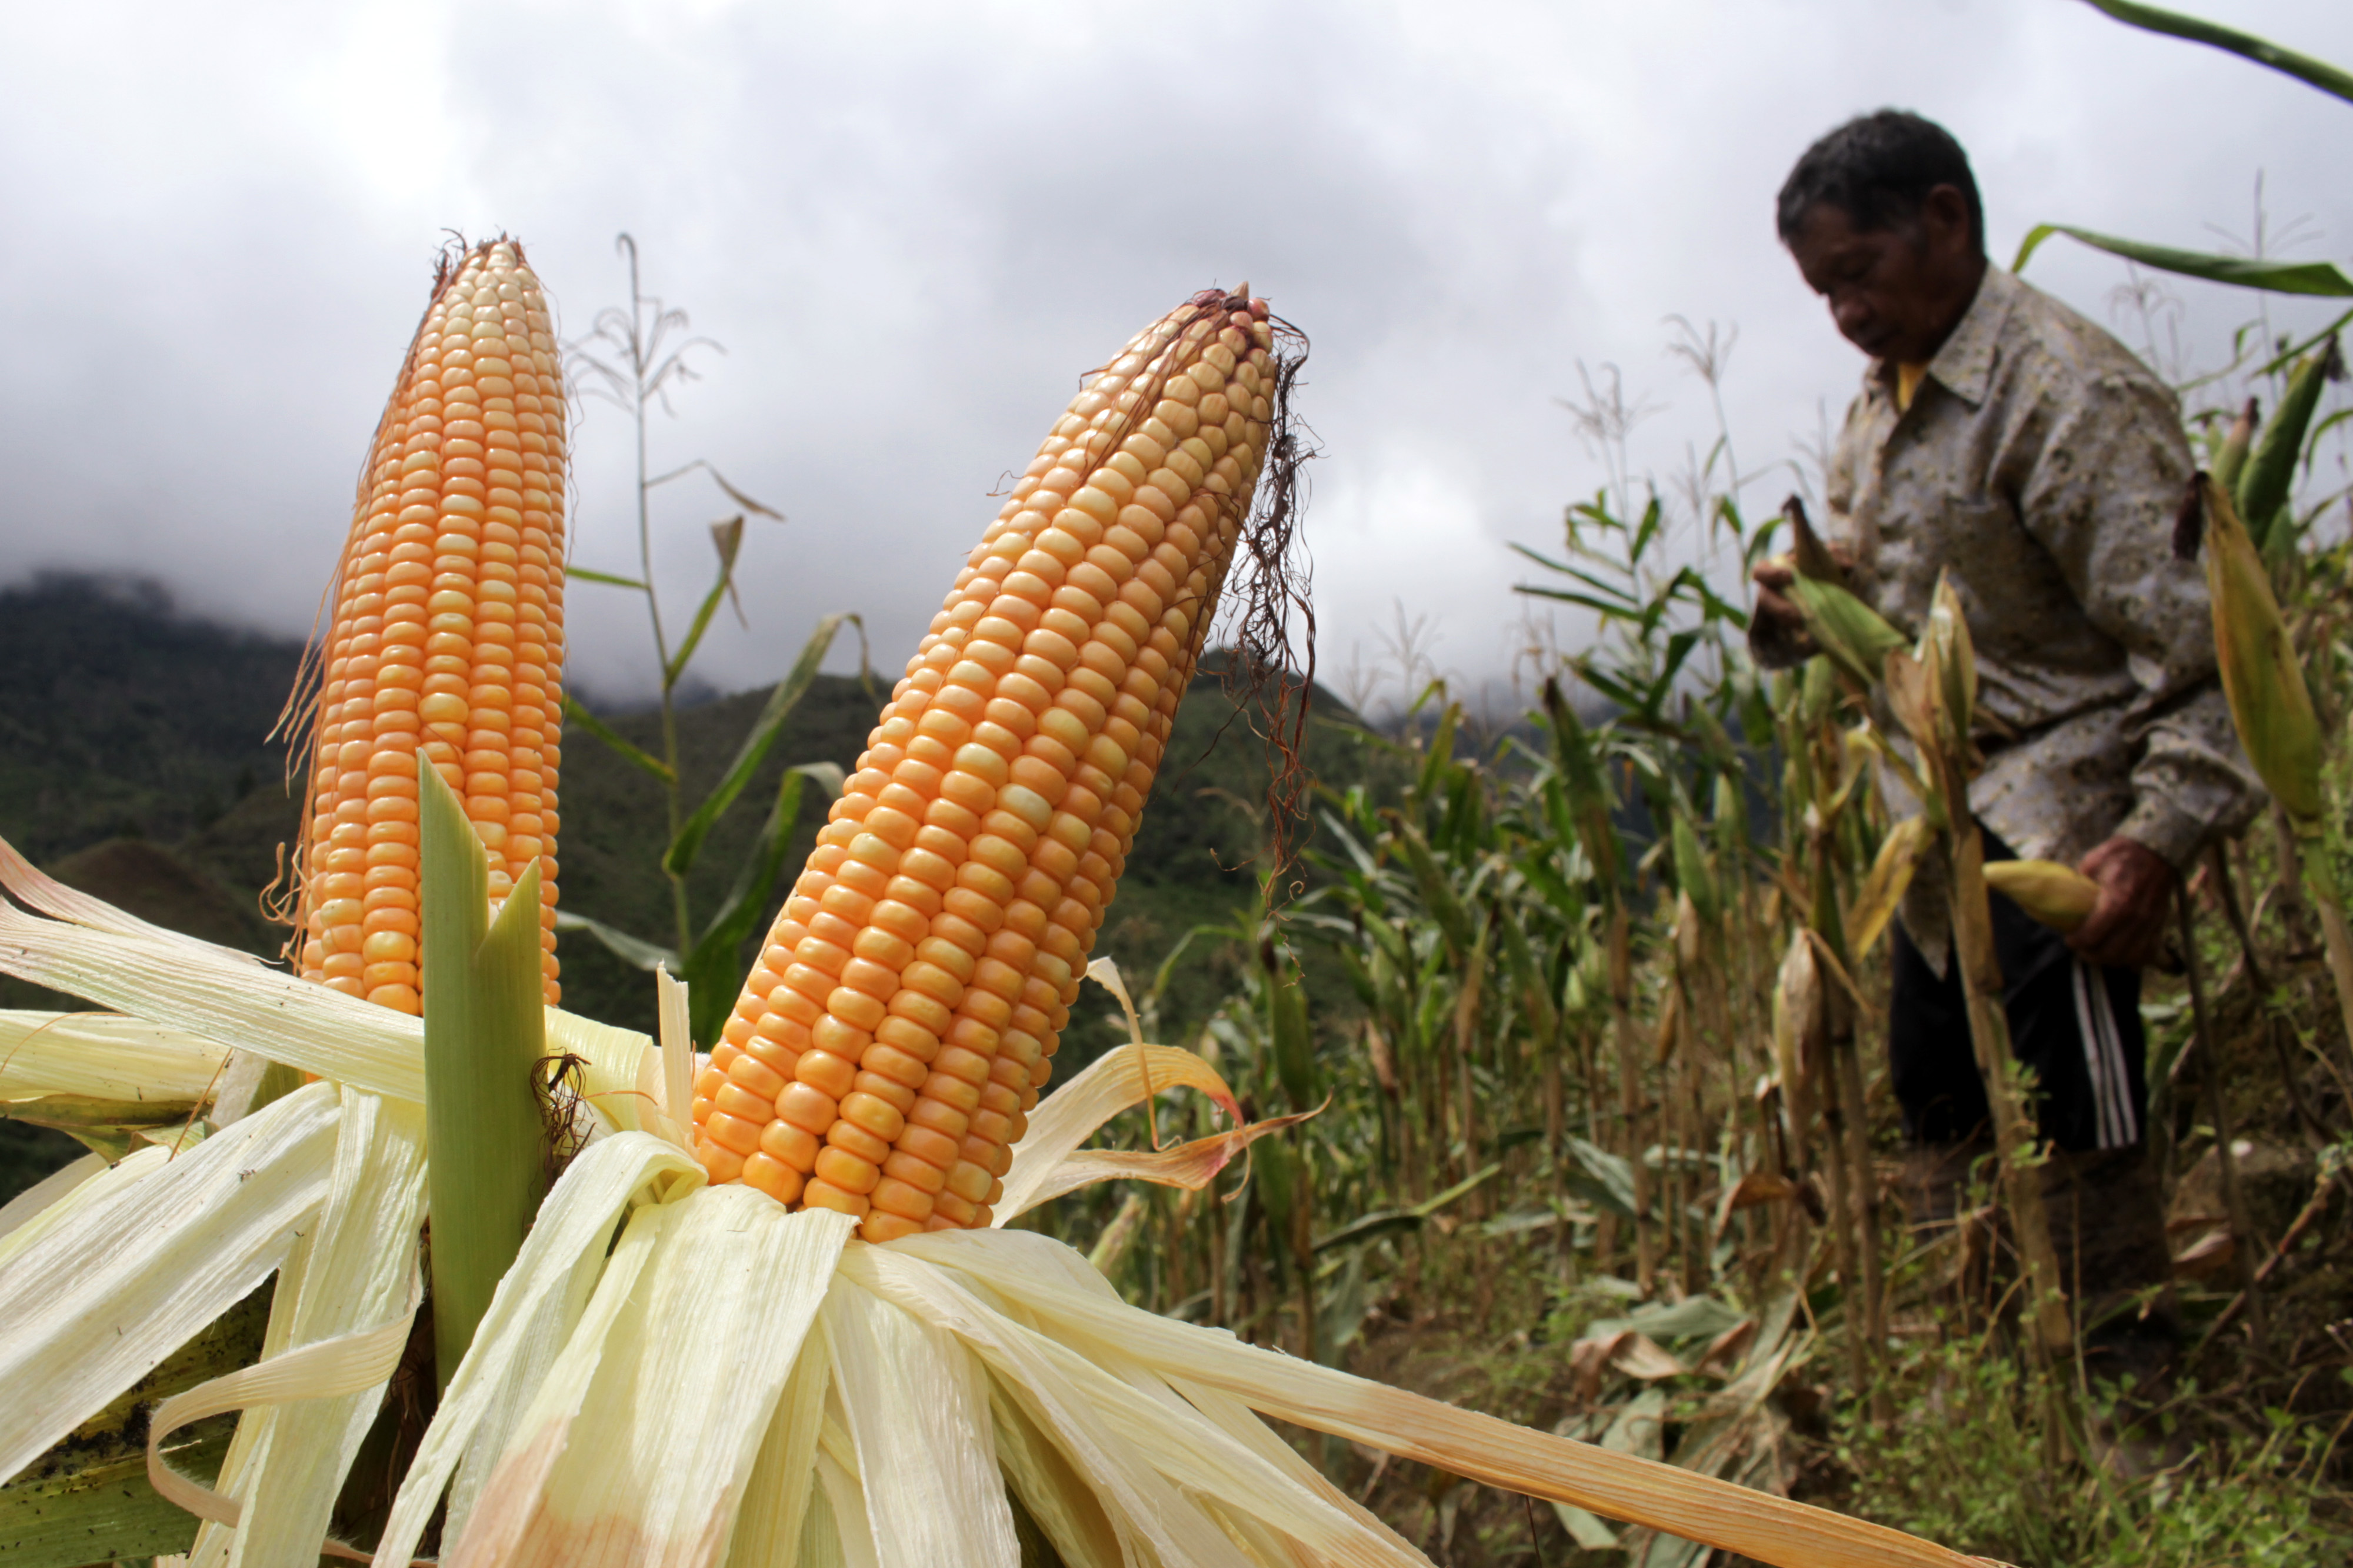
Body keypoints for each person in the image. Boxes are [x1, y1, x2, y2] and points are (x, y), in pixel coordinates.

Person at [1749, 110, 2260, 1370]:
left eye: (1855, 276)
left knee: (2077, 1125)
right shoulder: (1884, 402)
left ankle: (2130, 1398)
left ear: (1942, 218)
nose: (1844, 319)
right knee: (1936, 1101)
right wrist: (1802, 608)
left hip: (2060, 840)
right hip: (1932, 850)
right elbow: (1890, 599)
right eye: (1821, 294)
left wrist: (2150, 843)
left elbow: (2204, 658)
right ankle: (1997, 1396)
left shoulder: (2067, 394)